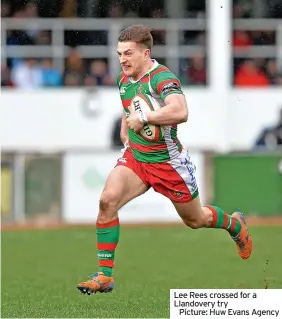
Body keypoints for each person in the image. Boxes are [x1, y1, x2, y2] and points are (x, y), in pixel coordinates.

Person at [77, 25, 253, 295]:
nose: (122, 59)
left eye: (128, 53)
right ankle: (104, 275)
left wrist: (145, 118)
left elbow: (180, 110)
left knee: (196, 220)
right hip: (137, 158)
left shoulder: (161, 78)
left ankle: (234, 224)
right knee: (106, 201)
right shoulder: (124, 79)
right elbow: (129, 108)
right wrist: (127, 129)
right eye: (119, 53)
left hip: (168, 163)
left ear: (146, 53)